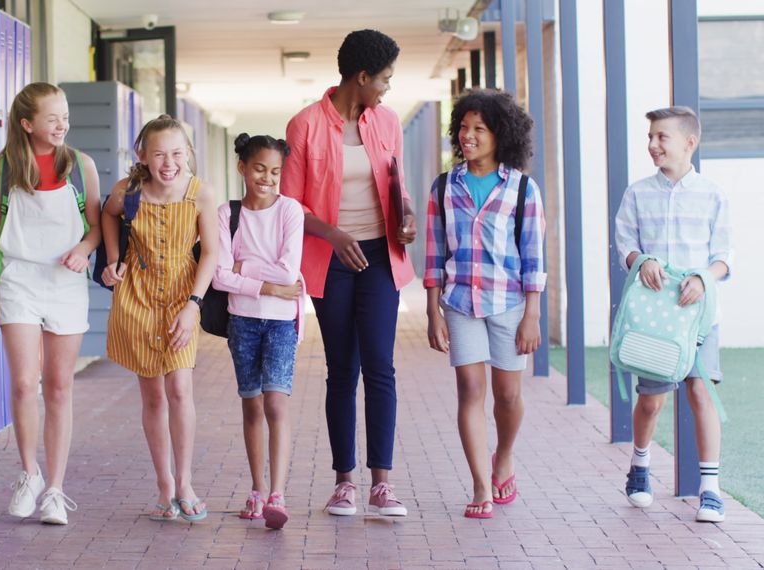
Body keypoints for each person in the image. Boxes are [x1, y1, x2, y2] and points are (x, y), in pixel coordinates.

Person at [280, 29, 417, 517]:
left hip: (380, 256)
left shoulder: (388, 121)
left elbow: (397, 184)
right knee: (342, 368)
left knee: (380, 364)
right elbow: (290, 204)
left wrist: (406, 215)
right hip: (331, 259)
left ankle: (382, 483)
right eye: (384, 79)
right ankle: (344, 482)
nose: (387, 88)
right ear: (361, 77)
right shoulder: (304, 126)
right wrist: (334, 235)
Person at [0, 82, 101, 525]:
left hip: (65, 284)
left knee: (59, 387)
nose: (62, 124)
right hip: (19, 282)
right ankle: (29, 474)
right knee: (23, 383)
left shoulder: (81, 166)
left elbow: (96, 227)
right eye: (53, 118)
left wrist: (83, 250)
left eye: (65, 116)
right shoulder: (4, 168)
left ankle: (55, 490)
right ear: (28, 124)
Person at [424, 88, 546, 519]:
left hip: (509, 303)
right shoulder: (444, 187)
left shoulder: (522, 189)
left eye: (480, 128)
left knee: (508, 395)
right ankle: (480, 486)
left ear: (501, 135)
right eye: (464, 127)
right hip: (459, 303)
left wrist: (532, 315)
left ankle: (504, 456)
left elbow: (533, 257)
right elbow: (434, 254)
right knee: (470, 391)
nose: (469, 135)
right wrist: (432, 311)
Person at [614, 106, 732, 523]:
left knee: (701, 393)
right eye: (650, 136)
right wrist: (641, 260)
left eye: (661, 137)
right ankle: (640, 465)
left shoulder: (713, 195)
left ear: (689, 142)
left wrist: (702, 278)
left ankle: (710, 490)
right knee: (652, 401)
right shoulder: (637, 193)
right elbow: (625, 242)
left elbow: (723, 258)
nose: (652, 144)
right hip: (653, 319)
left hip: (698, 316)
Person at [100, 115, 219, 522]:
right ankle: (164, 485)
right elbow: (108, 214)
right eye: (159, 155)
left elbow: (211, 254)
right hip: (137, 298)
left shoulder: (201, 194)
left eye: (177, 153)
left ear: (188, 153)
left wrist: (193, 305)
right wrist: (113, 259)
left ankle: (185, 482)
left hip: (182, 298)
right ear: (143, 156)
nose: (169, 163)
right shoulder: (128, 191)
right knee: (152, 395)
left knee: (180, 389)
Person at [212, 134, 304, 529]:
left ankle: (277, 494)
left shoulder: (290, 211)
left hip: (281, 322)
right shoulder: (227, 214)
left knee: (276, 404)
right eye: (259, 169)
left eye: (275, 171)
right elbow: (218, 276)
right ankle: (257, 488)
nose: (267, 178)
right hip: (242, 320)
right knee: (251, 404)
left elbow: (289, 271)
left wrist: (243, 268)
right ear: (242, 168)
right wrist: (267, 286)